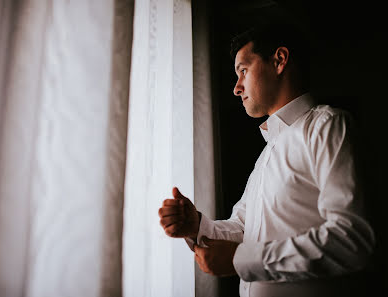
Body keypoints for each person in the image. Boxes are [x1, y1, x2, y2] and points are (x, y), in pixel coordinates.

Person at [158, 23, 375, 297]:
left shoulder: (327, 126)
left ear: (279, 60)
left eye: (243, 71)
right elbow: (244, 229)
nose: (236, 88)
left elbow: (350, 240)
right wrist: (197, 226)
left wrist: (241, 259)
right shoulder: (267, 154)